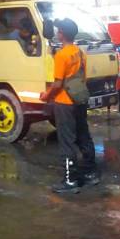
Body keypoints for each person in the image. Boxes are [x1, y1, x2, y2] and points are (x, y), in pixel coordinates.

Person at [40, 18, 98, 194]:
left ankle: (70, 181)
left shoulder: (62, 55)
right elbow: (81, 77)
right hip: (79, 99)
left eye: (58, 31)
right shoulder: (80, 52)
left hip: (64, 103)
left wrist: (46, 96)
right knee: (83, 136)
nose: (57, 33)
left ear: (61, 34)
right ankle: (90, 173)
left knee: (67, 141)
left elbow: (57, 84)